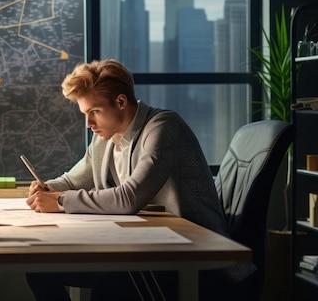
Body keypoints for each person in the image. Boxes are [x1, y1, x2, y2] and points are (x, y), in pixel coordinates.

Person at [25, 59, 236, 301]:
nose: (88, 123)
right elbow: (73, 181)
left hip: (191, 255)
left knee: (109, 287)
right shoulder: (105, 136)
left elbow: (129, 198)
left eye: (94, 112)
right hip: (146, 248)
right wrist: (48, 188)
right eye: (85, 113)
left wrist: (60, 201)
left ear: (121, 101)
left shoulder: (164, 128)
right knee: (40, 270)